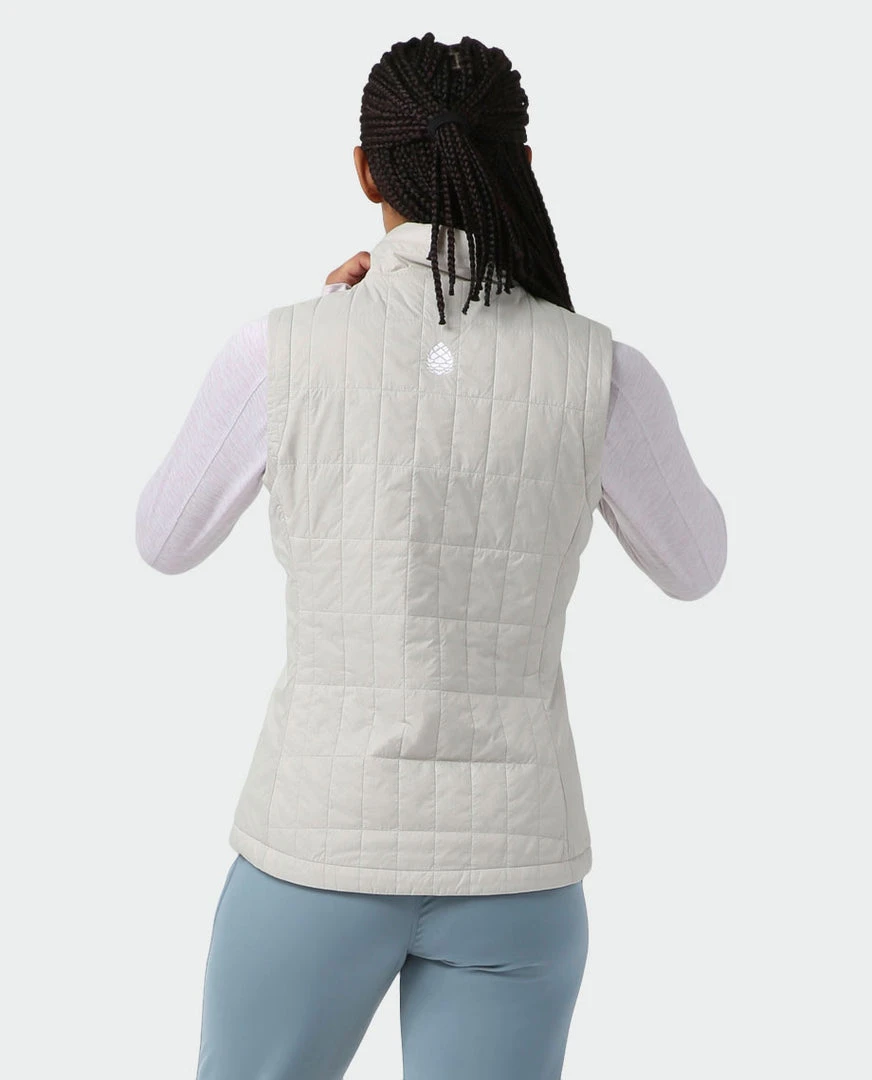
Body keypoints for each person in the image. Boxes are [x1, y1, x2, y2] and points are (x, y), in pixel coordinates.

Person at [135, 32, 727, 1080]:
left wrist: (323, 341)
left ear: (365, 171)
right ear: (521, 165)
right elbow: (696, 566)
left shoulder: (279, 351)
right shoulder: (602, 370)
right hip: (516, 868)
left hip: (317, 844)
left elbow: (164, 540)